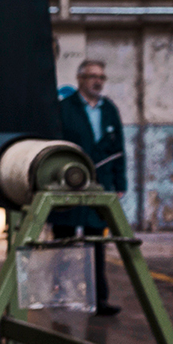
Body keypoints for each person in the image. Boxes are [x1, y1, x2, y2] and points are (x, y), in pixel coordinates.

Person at [54, 59, 127, 316]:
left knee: (97, 241)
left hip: (101, 185)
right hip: (68, 184)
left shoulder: (110, 110)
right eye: (92, 76)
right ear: (80, 79)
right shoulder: (64, 109)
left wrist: (120, 183)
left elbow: (119, 150)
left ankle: (99, 299)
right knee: (63, 240)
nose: (97, 81)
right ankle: (60, 294)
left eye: (101, 77)